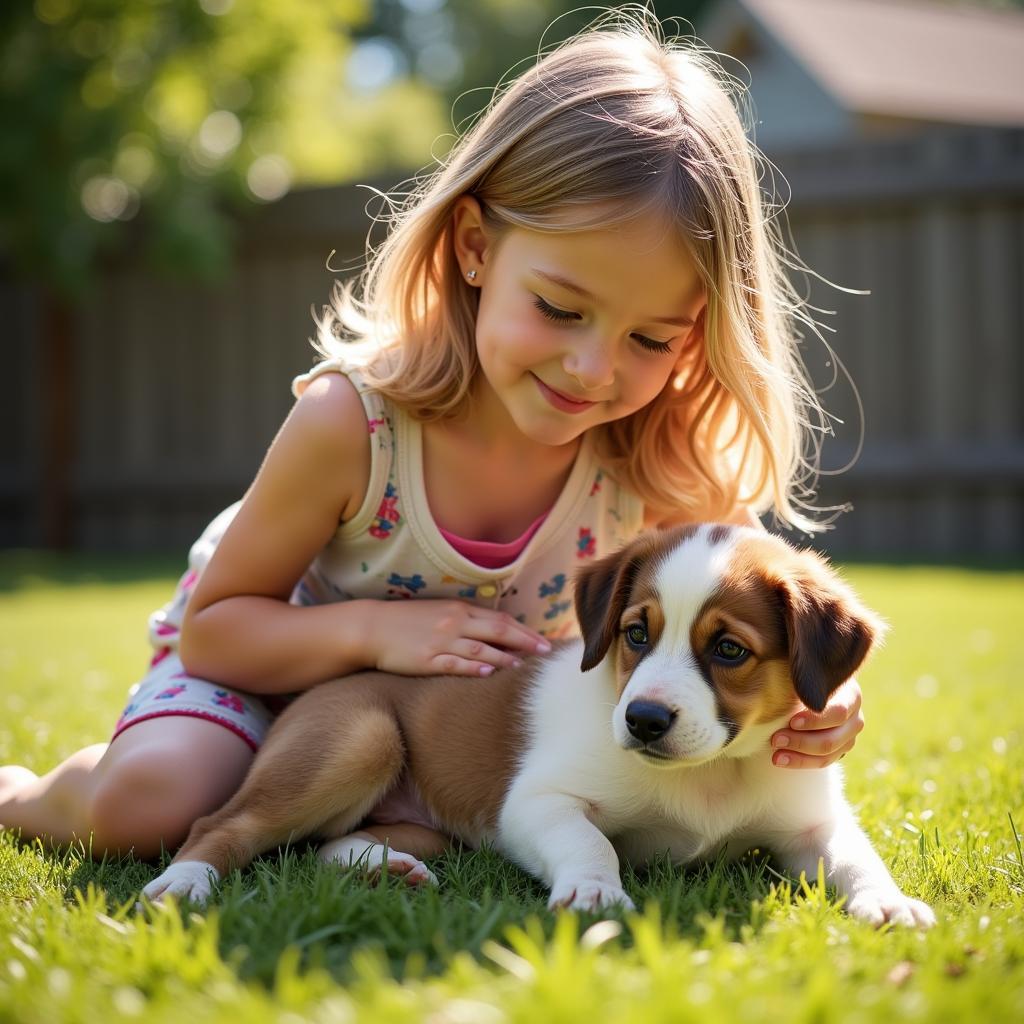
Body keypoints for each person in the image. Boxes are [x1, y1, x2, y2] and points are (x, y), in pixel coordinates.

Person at [0, 13, 865, 859]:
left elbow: (766, 624)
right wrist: (377, 635)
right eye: (560, 309)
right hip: (264, 680)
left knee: (426, 834)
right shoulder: (355, 424)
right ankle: (32, 794)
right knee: (153, 806)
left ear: (700, 329)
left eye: (650, 338)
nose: (593, 368)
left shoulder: (662, 456)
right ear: (476, 247)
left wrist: (832, 707)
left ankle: (369, 830)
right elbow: (217, 631)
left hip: (430, 748)